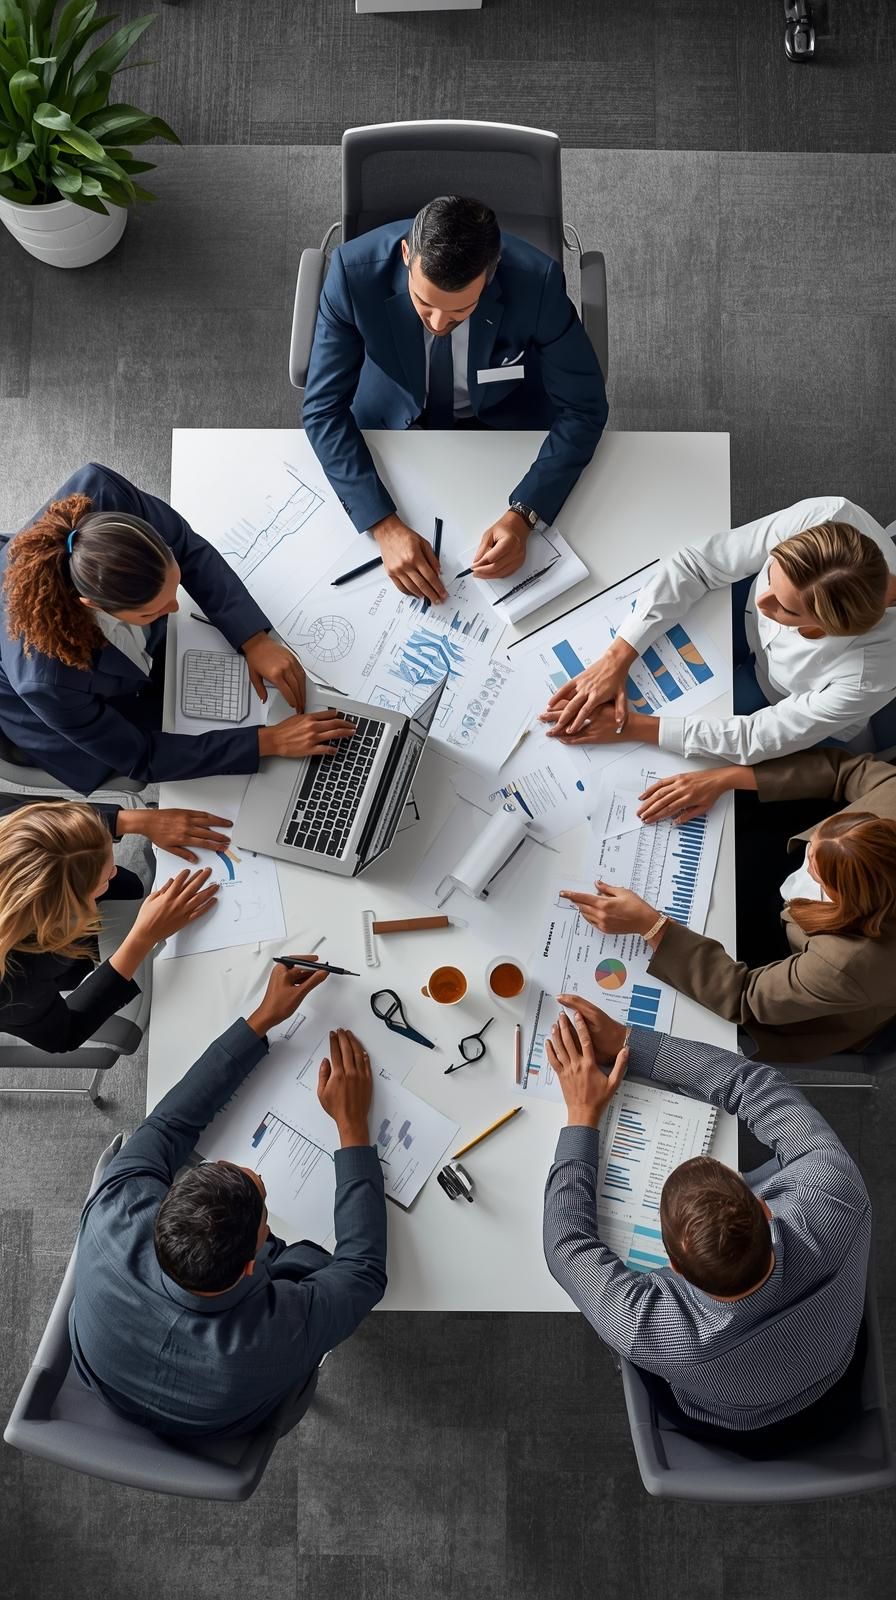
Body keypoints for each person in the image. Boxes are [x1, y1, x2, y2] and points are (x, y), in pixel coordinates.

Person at [69, 960, 387, 1438]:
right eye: (264, 1216)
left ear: (164, 1204)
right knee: (312, 1262)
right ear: (251, 1263)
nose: (254, 1171)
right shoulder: (274, 1338)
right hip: (218, 1418)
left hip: (103, 1374)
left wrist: (261, 1019)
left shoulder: (117, 1206)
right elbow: (363, 1270)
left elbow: (168, 1124)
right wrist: (352, 1125)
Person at [542, 998, 870, 1453]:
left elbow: (565, 1245)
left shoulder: (649, 1329)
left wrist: (581, 1115)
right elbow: (753, 1082)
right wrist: (629, 1043)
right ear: (766, 1209)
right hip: (837, 1367)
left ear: (672, 1266)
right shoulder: (837, 1193)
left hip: (732, 1423)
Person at [303, 195, 608, 603]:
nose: (438, 323)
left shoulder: (539, 282)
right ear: (407, 254)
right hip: (392, 420)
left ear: (490, 274)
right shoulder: (351, 274)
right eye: (424, 303)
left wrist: (525, 514)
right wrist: (384, 526)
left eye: (459, 311)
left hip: (506, 423)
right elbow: (323, 409)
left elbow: (585, 408)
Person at [0, 462, 357, 793]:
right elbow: (142, 755)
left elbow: (185, 546)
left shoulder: (106, 495)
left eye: (175, 588)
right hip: (56, 706)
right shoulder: (49, 683)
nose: (175, 607)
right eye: (152, 611)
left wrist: (253, 638)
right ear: (95, 606)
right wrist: (269, 741)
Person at [563, 748, 896, 1062]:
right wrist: (724, 778)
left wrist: (650, 926)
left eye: (817, 876)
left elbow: (746, 996)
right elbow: (841, 771)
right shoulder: (891, 800)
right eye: (813, 849)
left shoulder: (848, 965)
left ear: (851, 898)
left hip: (790, 979)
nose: (806, 862)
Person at [541, 496, 896, 764]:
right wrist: (617, 657)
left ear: (830, 627)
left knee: (679, 750)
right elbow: (698, 564)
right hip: (741, 624)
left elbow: (756, 736)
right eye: (772, 575)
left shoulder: (868, 673)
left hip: (780, 694)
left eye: (785, 608)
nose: (764, 602)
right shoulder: (826, 518)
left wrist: (631, 726)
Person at [0, 795, 227, 1052]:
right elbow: (64, 1035)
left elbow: (31, 812)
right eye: (105, 876)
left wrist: (132, 821)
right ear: (68, 912)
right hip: (40, 976)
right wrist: (143, 938)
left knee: (128, 885)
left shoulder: (9, 827)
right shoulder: (14, 983)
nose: (115, 870)